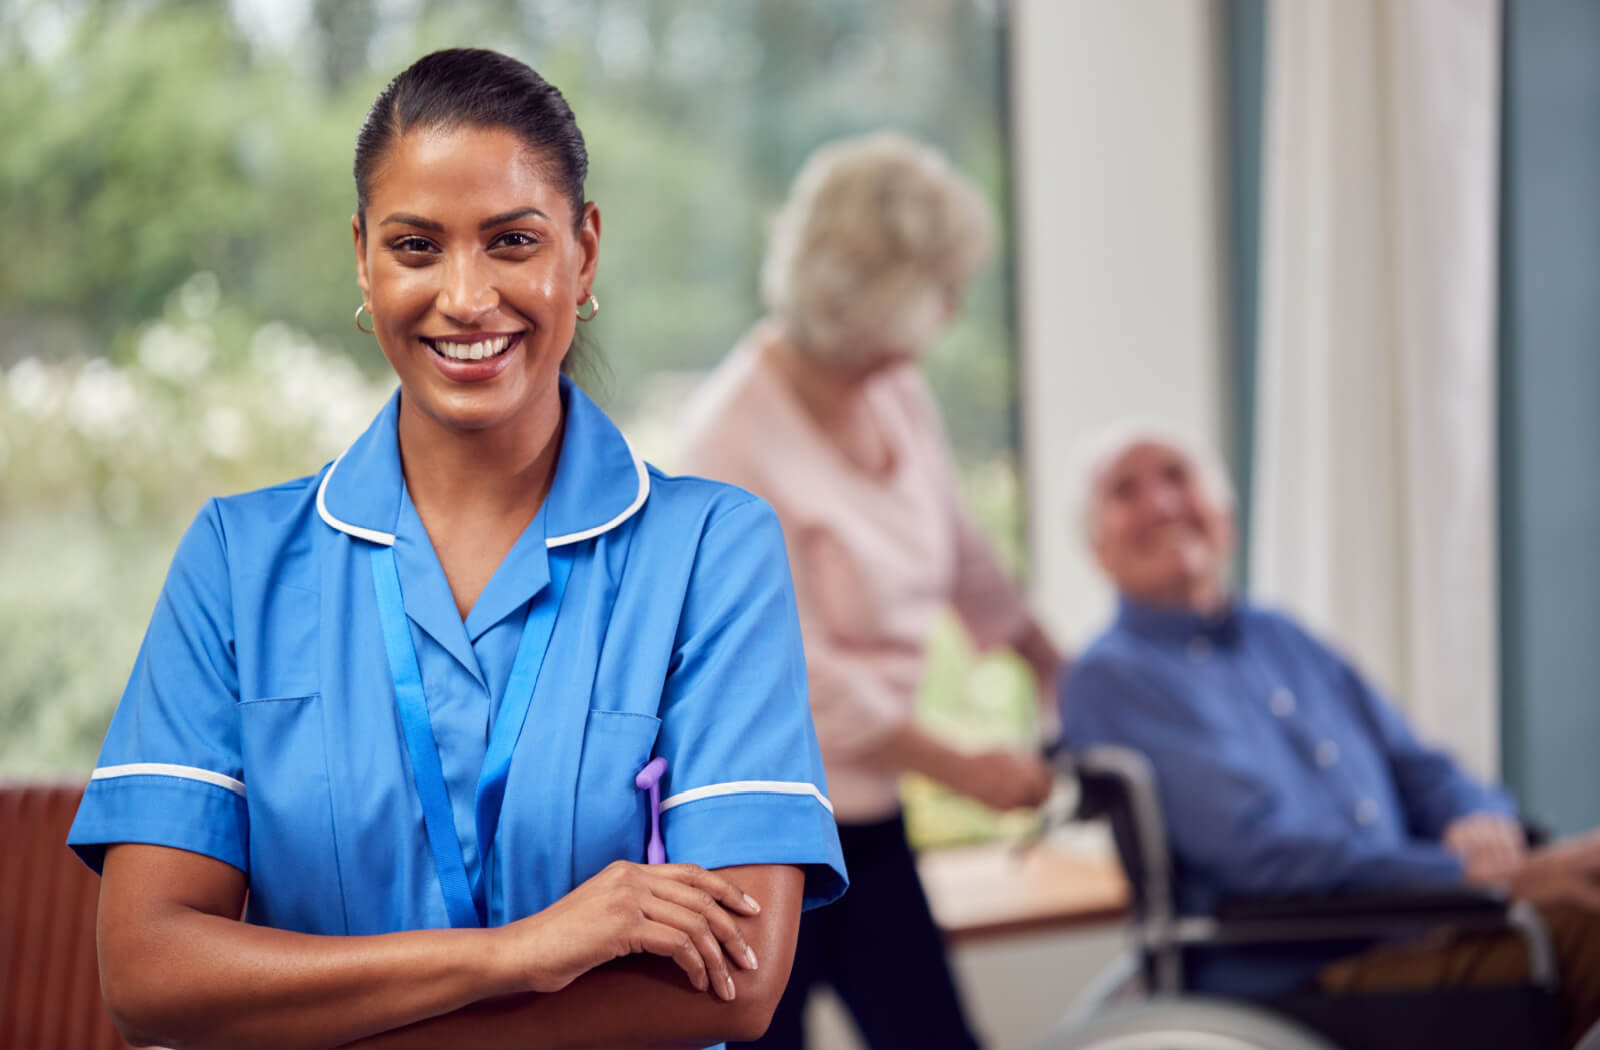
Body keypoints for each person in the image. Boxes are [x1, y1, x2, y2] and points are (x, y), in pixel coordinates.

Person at [65, 49, 846, 1050]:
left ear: (584, 253)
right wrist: (517, 952)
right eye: (417, 246)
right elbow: (146, 971)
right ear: (363, 260)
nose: (467, 297)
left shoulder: (708, 551)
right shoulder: (238, 562)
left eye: (512, 241)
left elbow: (735, 983)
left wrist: (321, 1022)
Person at [678, 132, 1064, 1050]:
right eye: (942, 285)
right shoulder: (728, 443)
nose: (957, 308)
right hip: (760, 835)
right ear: (885, 292)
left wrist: (1045, 656)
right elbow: (792, 670)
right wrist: (963, 765)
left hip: (871, 824)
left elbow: (959, 548)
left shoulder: (896, 390)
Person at [1058, 420, 1600, 1047]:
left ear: (1225, 514)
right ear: (1096, 545)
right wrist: (1468, 875)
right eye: (1126, 490)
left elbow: (1419, 767)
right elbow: (1263, 858)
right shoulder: (1112, 676)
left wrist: (1480, 821)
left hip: (1429, 926)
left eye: (1178, 476)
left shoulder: (1279, 635)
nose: (1162, 503)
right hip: (1304, 978)